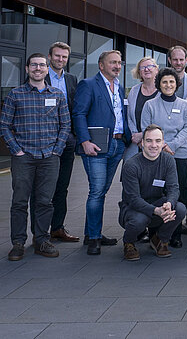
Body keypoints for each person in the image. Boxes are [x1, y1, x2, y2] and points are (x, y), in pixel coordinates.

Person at [1, 53, 71, 261]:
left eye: (42, 65)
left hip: (49, 157)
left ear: (47, 69)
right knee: (20, 201)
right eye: (34, 65)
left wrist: (57, 150)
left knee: (45, 201)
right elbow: (4, 126)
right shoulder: (15, 95)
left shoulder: (57, 95)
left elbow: (65, 125)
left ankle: (41, 240)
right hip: (24, 157)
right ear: (27, 69)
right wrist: (17, 150)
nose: (38, 68)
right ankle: (18, 243)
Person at [73, 50, 130, 255]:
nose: (117, 66)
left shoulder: (119, 87)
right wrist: (85, 141)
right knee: (96, 191)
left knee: (101, 191)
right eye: (112, 62)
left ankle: (91, 232)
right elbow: (78, 113)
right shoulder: (88, 85)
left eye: (119, 63)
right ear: (101, 65)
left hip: (117, 145)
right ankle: (94, 238)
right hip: (95, 147)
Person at [141, 67, 187, 248]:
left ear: (177, 84)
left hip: (180, 154)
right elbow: (146, 129)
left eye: (172, 81)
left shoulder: (185, 105)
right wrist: (161, 146)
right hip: (156, 156)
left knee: (179, 193)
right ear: (159, 84)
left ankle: (175, 234)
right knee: (158, 193)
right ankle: (156, 234)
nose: (168, 85)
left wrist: (172, 145)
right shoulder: (150, 105)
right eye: (164, 82)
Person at [118, 125, 186, 260]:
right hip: (133, 209)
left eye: (158, 141)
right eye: (149, 141)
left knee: (179, 209)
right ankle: (129, 242)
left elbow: (173, 188)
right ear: (142, 143)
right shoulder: (131, 165)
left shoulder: (168, 160)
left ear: (163, 143)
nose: (154, 145)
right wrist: (156, 210)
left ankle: (159, 239)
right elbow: (133, 199)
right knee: (139, 220)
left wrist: (169, 203)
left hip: (157, 203)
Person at [44, 42, 80, 243]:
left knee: (62, 186)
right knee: (43, 188)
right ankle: (40, 232)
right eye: (57, 56)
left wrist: (74, 136)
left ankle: (57, 227)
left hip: (67, 140)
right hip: (45, 141)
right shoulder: (40, 76)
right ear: (50, 57)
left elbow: (76, 108)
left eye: (64, 57)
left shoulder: (71, 79)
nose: (60, 59)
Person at [124, 57, 159, 161]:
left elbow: (162, 119)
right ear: (139, 72)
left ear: (156, 70)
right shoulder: (134, 90)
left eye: (149, 66)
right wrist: (136, 136)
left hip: (155, 144)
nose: (146, 69)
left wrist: (143, 135)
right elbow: (129, 116)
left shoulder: (162, 92)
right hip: (135, 144)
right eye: (142, 67)